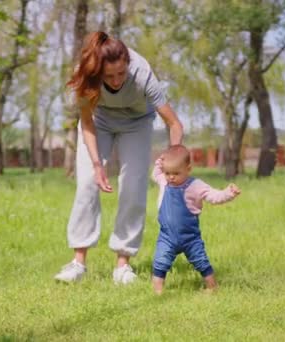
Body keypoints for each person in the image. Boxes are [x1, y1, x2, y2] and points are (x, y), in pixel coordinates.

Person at [54, 31, 183, 284]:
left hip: (136, 123)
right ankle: (78, 263)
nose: (115, 81)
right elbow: (87, 123)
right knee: (87, 184)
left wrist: (174, 158)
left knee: (133, 187)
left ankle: (123, 265)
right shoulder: (87, 73)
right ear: (98, 71)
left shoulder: (142, 73)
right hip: (99, 124)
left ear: (128, 66)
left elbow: (174, 123)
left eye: (121, 74)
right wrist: (96, 165)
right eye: (109, 76)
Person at [151, 144, 241, 294]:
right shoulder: (164, 181)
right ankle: (158, 292)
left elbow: (214, 196)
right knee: (160, 262)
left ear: (188, 169)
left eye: (176, 173)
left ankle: (212, 288)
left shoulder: (195, 186)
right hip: (166, 236)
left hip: (190, 237)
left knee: (201, 262)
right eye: (167, 172)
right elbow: (156, 174)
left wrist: (228, 193)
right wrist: (158, 164)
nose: (171, 177)